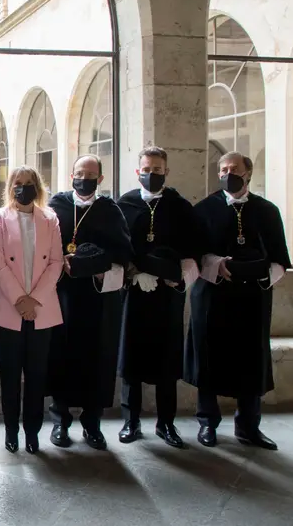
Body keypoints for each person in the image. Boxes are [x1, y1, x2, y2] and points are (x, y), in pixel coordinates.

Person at [186, 151, 291, 450]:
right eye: (222, 169)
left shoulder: (267, 210)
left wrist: (257, 272)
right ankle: (207, 423)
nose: (227, 173)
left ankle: (248, 426)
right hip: (212, 296)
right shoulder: (203, 209)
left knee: (251, 360)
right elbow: (195, 255)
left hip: (252, 297)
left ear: (248, 174)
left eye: (234, 169)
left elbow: (281, 259)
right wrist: (218, 265)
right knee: (208, 358)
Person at [46, 154, 132, 450]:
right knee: (62, 356)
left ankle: (92, 424)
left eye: (91, 175)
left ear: (100, 179)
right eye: (79, 174)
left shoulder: (110, 209)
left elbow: (123, 252)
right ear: (71, 175)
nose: (84, 179)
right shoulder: (56, 206)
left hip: (98, 300)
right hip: (63, 297)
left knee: (97, 358)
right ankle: (60, 422)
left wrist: (92, 265)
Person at [116, 146, 199, 449]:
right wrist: (134, 272)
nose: (151, 174)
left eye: (157, 169)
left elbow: (192, 250)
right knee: (131, 357)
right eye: (146, 169)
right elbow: (118, 247)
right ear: (137, 171)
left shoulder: (179, 206)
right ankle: (131, 421)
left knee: (167, 358)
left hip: (167, 294)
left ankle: (167, 423)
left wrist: (177, 278)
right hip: (135, 292)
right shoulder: (124, 204)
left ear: (167, 171)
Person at [0, 166, 63, 454]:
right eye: (18, 183)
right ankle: (10, 431)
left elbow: (56, 262)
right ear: (10, 187)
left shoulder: (50, 219)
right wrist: (21, 299)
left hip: (42, 308)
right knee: (10, 375)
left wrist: (34, 299)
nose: (23, 187)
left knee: (36, 374)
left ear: (38, 187)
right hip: (9, 307)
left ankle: (32, 432)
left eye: (29, 183)